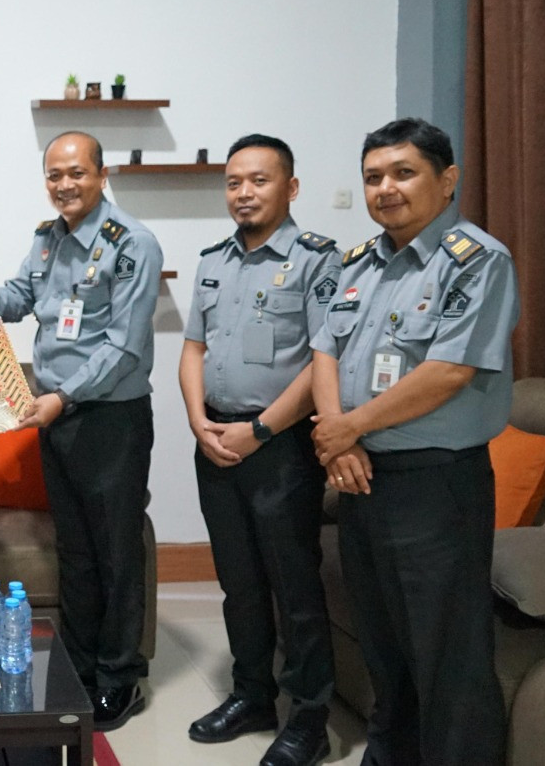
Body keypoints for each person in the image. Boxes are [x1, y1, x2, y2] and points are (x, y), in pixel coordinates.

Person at [310, 117, 518, 766]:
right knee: (385, 648)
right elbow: (324, 352)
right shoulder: (358, 265)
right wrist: (337, 440)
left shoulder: (477, 261)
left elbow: (450, 371)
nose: (386, 188)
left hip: (436, 485)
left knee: (447, 655)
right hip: (361, 478)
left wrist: (351, 427)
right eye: (373, 176)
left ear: (447, 180)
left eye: (404, 173)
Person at [0, 130, 163, 730]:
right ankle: (81, 667)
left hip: (108, 419)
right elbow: (23, 295)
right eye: (54, 175)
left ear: (102, 175)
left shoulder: (132, 244)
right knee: (75, 552)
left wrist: (62, 397)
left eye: (76, 173)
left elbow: (125, 346)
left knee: (116, 554)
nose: (65, 184)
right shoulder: (49, 239)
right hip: (56, 417)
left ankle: (120, 678)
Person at [178, 135, 340, 766]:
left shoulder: (318, 260)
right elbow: (193, 348)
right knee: (239, 582)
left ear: (290, 188)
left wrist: (262, 430)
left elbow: (324, 360)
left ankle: (310, 719)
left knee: (293, 585)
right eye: (234, 182)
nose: (244, 193)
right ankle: (252, 696)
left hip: (280, 446)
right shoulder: (213, 261)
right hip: (217, 440)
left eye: (259, 180)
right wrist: (198, 419)